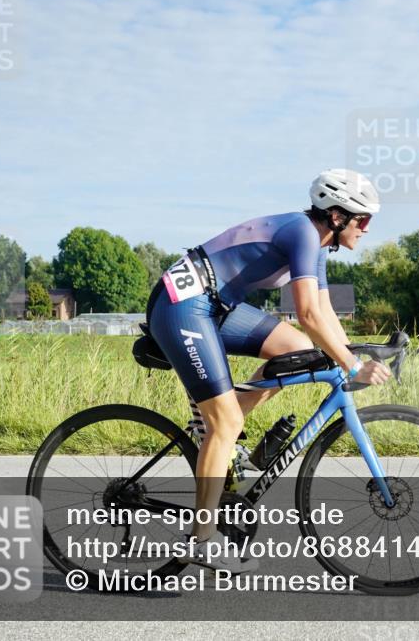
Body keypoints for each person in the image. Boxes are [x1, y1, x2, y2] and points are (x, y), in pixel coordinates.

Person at [146, 169, 391, 573]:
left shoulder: (316, 244)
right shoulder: (302, 233)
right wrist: (352, 365)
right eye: (362, 219)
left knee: (295, 348)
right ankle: (201, 539)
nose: (366, 229)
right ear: (336, 216)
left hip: (214, 304)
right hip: (181, 304)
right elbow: (308, 313)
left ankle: (223, 433)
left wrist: (354, 353)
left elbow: (325, 311)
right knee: (222, 424)